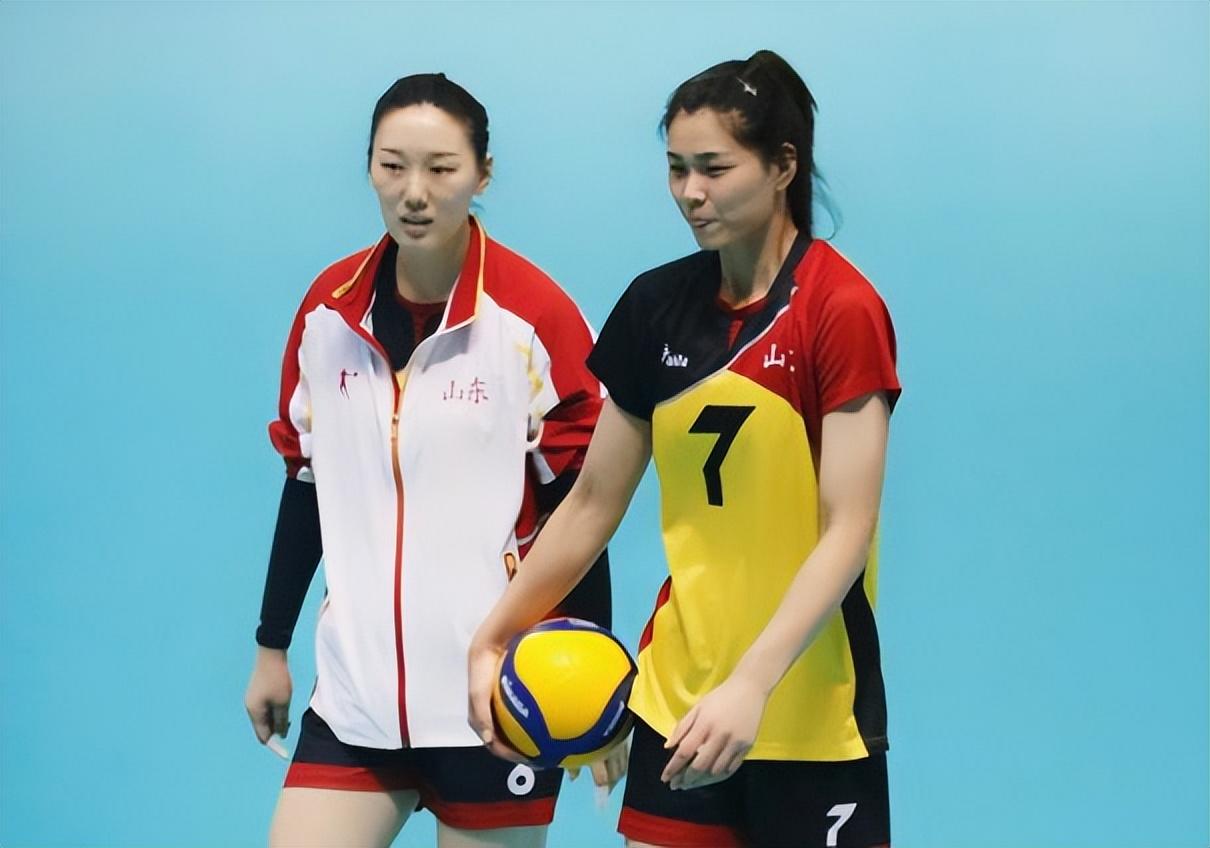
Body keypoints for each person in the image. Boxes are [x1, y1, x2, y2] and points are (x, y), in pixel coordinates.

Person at [469, 50, 900, 848]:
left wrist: (753, 684)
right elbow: (591, 503)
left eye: (714, 168)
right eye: (676, 168)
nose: (690, 192)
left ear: (783, 166)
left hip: (813, 719)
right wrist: (495, 632)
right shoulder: (655, 306)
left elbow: (847, 528)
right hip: (678, 705)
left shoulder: (840, 309)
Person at [244, 73, 620, 848]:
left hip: (500, 704)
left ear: (483, 174)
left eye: (442, 168)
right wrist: (270, 646)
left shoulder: (534, 318)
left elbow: (579, 509)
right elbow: (306, 485)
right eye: (393, 166)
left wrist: (595, 686)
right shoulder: (326, 313)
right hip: (355, 701)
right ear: (369, 168)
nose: (414, 192)